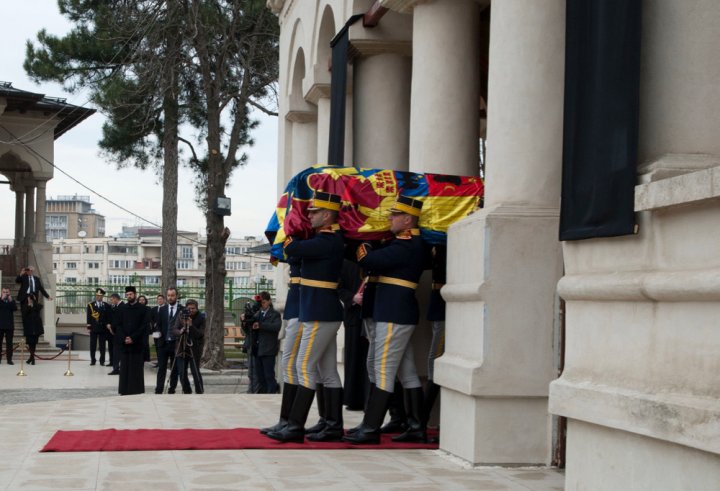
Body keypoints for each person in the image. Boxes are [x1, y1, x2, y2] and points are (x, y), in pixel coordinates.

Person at [344, 195, 427, 444]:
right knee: (406, 371)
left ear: (407, 219)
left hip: (395, 313)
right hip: (391, 312)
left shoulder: (408, 244)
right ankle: (415, 426)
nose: (389, 218)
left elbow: (369, 260)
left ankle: (370, 428)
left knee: (383, 369)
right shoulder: (398, 243)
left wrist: (364, 242)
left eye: (394, 215)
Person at [266, 191, 345, 443]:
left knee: (304, 366)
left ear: (327, 214)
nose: (309, 216)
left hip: (320, 314)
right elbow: (296, 253)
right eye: (307, 212)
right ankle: (331, 425)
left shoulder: (328, 240)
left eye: (313, 212)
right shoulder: (323, 240)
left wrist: (289, 231)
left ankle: (295, 426)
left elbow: (294, 248)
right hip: (320, 312)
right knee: (327, 370)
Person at [259, 256, 301, 435]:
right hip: (297, 311)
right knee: (292, 365)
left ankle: (294, 424)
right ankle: (287, 421)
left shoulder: (307, 247)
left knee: (300, 367)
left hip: (306, 312)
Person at [338, 259, 369, 410]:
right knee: (353, 358)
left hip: (371, 315)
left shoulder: (372, 260)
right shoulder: (346, 263)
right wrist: (353, 298)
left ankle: (368, 399)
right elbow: (339, 288)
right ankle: (353, 399)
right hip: (353, 316)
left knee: (369, 360)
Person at [424, 245, 446, 442]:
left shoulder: (445, 244)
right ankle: (421, 420)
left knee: (435, 362)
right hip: (438, 306)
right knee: (433, 363)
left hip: (445, 309)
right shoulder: (436, 243)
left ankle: (422, 420)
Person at [117, 286, 149, 395]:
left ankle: (136, 389)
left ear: (135, 294)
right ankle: (124, 390)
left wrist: (133, 338)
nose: (129, 296)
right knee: (125, 367)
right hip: (125, 343)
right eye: (127, 295)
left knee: (136, 368)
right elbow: (119, 325)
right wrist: (124, 337)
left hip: (137, 344)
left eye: (131, 294)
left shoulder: (143, 309)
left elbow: (144, 326)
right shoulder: (122, 308)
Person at [249, 291, 281, 394]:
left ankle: (271, 393)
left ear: (269, 301)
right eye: (260, 302)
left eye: (264, 302)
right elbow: (250, 327)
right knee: (260, 376)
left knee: (269, 375)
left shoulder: (274, 314)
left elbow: (276, 327)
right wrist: (245, 320)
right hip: (258, 349)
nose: (262, 304)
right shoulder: (258, 313)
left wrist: (261, 325)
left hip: (269, 349)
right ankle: (262, 395)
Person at [172, 299, 206, 394]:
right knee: (182, 373)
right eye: (189, 308)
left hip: (195, 348)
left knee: (195, 371)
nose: (191, 310)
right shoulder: (181, 315)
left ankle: (200, 392)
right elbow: (174, 329)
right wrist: (180, 331)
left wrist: (191, 326)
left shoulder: (201, 318)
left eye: (193, 308)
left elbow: (200, 334)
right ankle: (187, 391)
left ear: (197, 308)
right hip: (181, 347)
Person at [154, 287, 181, 394]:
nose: (170, 297)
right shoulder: (163, 309)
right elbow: (158, 326)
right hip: (163, 344)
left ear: (176, 296)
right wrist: (158, 335)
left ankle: (172, 389)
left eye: (172, 295)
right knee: (161, 368)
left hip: (176, 344)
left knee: (174, 369)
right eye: (168, 295)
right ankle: (159, 389)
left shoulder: (181, 309)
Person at [86, 288, 111, 366]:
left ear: (103, 296)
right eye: (97, 295)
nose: (98, 297)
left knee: (102, 346)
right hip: (93, 328)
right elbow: (89, 317)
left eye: (100, 296)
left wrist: (108, 325)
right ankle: (93, 360)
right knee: (92, 345)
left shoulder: (106, 305)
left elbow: (108, 317)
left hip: (103, 329)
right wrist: (89, 328)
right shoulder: (91, 305)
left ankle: (102, 360)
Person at [21, 294, 44, 365]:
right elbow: (24, 314)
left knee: (34, 343)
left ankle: (31, 358)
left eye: (31, 298)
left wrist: (34, 301)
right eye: (29, 298)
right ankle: (32, 358)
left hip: (36, 328)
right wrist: (29, 305)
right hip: (29, 328)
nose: (30, 299)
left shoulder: (36, 306)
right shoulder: (25, 306)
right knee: (30, 343)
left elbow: (40, 307)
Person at [107, 293, 124, 375]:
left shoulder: (122, 306)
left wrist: (111, 328)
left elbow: (119, 320)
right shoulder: (117, 306)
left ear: (115, 298)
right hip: (117, 332)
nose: (111, 301)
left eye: (111, 299)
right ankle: (116, 368)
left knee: (117, 351)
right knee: (116, 351)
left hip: (120, 333)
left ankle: (117, 368)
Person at [0, 287, 17, 364]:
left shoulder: (11, 301)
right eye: (4, 292)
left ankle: (9, 359)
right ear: (1, 292)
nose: (5, 293)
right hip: (0, 325)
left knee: (9, 344)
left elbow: (15, 308)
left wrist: (10, 298)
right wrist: (1, 299)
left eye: (7, 292)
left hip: (9, 326)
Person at [150, 294, 166, 368]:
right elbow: (151, 319)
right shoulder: (153, 309)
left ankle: (163, 362)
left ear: (163, 300)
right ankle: (159, 362)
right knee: (157, 346)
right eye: (158, 299)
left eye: (161, 299)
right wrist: (154, 324)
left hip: (163, 331)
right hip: (155, 331)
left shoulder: (166, 308)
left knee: (162, 346)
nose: (159, 300)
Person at [137, 295, 151, 363]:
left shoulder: (148, 309)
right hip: (137, 329)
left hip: (145, 329)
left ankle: (145, 358)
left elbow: (148, 318)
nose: (141, 301)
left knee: (145, 343)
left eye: (143, 300)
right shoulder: (136, 308)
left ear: (145, 301)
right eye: (140, 300)